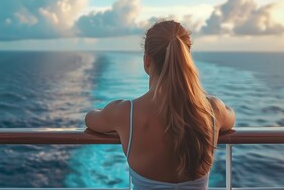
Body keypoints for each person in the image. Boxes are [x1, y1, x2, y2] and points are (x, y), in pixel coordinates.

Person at [85, 20, 235, 189]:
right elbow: (231, 117)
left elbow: (90, 118)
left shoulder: (126, 113)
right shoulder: (213, 110)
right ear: (186, 58)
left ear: (147, 61)